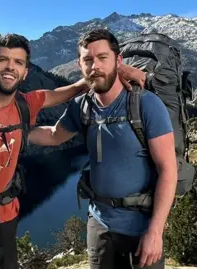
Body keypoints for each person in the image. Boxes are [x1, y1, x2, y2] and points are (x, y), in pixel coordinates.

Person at [0, 33, 147, 269]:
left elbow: (72, 89)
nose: (10, 67)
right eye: (4, 60)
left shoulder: (25, 104)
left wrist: (117, 71)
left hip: (4, 215)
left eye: (18, 62)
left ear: (25, 73)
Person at [27, 28, 178, 269]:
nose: (95, 65)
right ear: (80, 64)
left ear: (118, 61)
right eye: (88, 60)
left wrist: (155, 232)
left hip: (140, 227)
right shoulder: (82, 106)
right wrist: (14, 130)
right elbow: (55, 136)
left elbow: (168, 170)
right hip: (99, 224)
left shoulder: (146, 105)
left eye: (102, 57)